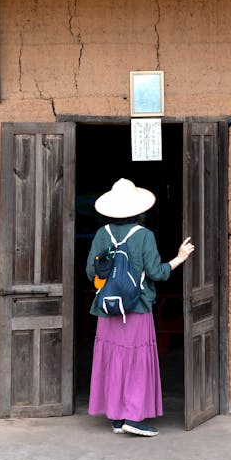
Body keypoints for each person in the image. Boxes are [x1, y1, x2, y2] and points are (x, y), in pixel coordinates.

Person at [86, 178, 194, 437]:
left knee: (113, 360)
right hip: (137, 308)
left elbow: (91, 271)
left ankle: (117, 417)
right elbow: (157, 273)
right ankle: (133, 418)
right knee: (135, 361)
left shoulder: (102, 234)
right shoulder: (144, 236)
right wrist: (180, 258)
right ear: (137, 210)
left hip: (108, 309)